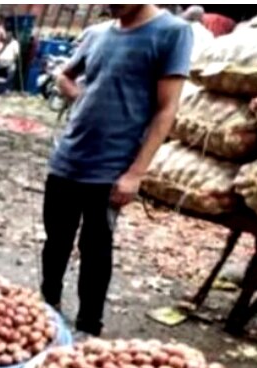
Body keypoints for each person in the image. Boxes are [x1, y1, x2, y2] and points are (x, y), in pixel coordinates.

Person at [44, 4, 192, 337]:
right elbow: (64, 75)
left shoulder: (172, 32)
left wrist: (136, 173)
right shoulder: (97, 34)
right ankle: (46, 307)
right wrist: (81, 98)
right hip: (68, 157)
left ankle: (88, 327)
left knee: (96, 249)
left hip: (111, 168)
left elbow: (167, 110)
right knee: (56, 241)